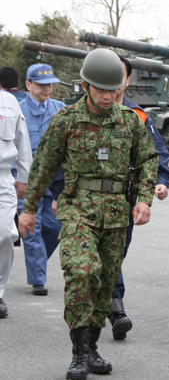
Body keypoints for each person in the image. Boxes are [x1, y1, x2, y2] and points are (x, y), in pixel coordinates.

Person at [18, 48, 158, 380]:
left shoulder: (129, 121)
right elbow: (43, 166)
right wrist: (28, 210)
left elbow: (149, 159)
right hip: (77, 207)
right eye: (101, 89)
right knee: (83, 272)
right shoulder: (65, 120)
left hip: (115, 214)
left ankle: (92, 347)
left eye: (114, 89)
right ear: (85, 85)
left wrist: (144, 199)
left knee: (105, 280)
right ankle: (78, 352)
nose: (108, 96)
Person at [107, 55, 169, 339]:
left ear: (127, 80)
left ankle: (109, 301)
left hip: (125, 199)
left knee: (116, 253)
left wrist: (160, 183)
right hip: (87, 201)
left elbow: (156, 154)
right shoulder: (77, 115)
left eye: (118, 75)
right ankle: (115, 307)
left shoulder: (138, 116)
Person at [16, 63, 65, 296]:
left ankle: (36, 262)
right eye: (41, 85)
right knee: (32, 227)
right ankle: (38, 279)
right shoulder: (18, 111)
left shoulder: (61, 109)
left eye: (50, 85)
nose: (47, 89)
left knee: (55, 227)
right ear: (28, 85)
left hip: (54, 180)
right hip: (27, 179)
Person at [0, 89, 32, 318]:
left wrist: (23, 178)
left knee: (5, 234)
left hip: (3, 178)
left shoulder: (9, 102)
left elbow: (22, 140)